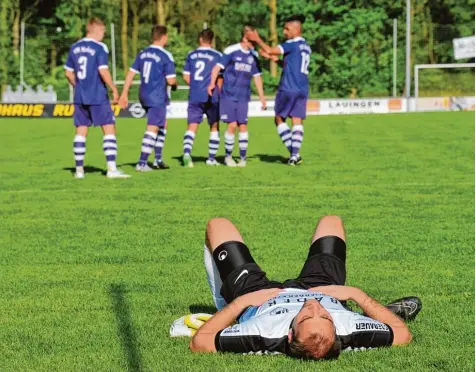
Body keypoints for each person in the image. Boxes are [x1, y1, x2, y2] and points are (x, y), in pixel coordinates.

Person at [190, 216, 421, 359]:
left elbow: (200, 342)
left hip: (257, 296)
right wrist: (355, 295)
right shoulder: (348, 330)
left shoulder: (264, 334)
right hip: (320, 287)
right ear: (337, 333)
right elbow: (402, 334)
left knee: (217, 225)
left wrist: (239, 303)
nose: (314, 308)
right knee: (331, 221)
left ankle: (223, 305)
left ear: (290, 335)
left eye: (306, 317)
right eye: (326, 317)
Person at [64, 17, 130, 179]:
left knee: (81, 131)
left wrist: (78, 86)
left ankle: (79, 171)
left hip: (80, 95)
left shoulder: (74, 47)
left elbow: (67, 72)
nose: (103, 35)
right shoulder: (100, 47)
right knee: (109, 128)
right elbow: (103, 70)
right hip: (97, 95)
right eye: (103, 32)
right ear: (97, 30)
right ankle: (112, 169)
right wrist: (114, 89)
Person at [246, 15, 311, 166]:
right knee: (297, 120)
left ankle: (294, 153)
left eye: (287, 29)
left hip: (288, 87)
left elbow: (270, 49)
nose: (284, 32)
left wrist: (257, 39)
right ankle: (294, 156)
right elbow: (292, 66)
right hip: (302, 88)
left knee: (278, 119)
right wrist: (275, 60)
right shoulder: (306, 46)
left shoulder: (291, 44)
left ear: (296, 29)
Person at [119, 25, 177, 171]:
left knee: (163, 123)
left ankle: (158, 159)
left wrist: (124, 93)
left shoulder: (142, 53)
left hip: (143, 94)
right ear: (163, 37)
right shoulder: (165, 55)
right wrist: (175, 85)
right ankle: (142, 163)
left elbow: (131, 73)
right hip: (156, 95)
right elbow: (171, 81)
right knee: (153, 126)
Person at [207, 26, 267, 168]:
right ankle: (228, 157)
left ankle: (243, 158)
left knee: (243, 125)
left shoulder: (254, 55)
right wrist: (211, 84)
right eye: (253, 35)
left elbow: (257, 77)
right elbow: (217, 68)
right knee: (232, 125)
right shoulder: (231, 51)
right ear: (245, 36)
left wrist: (262, 97)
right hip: (228, 95)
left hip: (243, 96)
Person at [181, 30, 223, 168]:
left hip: (195, 94)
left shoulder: (191, 55)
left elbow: (186, 77)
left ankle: (187, 154)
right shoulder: (218, 55)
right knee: (214, 126)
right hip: (212, 95)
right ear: (212, 40)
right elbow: (220, 79)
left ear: (200, 39)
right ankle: (211, 159)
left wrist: (196, 86)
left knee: (192, 125)